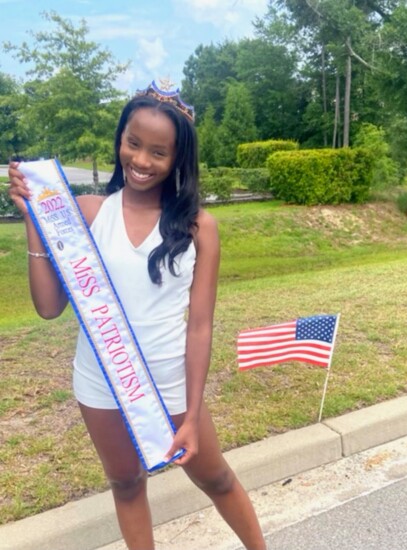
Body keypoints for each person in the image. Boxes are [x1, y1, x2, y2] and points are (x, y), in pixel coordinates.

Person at [8, 83, 266, 550]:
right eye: (133, 143)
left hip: (170, 383)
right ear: (120, 140)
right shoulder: (85, 214)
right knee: (126, 485)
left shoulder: (198, 227)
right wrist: (32, 217)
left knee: (217, 478)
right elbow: (49, 308)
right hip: (100, 382)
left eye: (158, 151)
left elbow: (200, 325)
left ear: (177, 160)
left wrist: (191, 410)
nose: (141, 160)